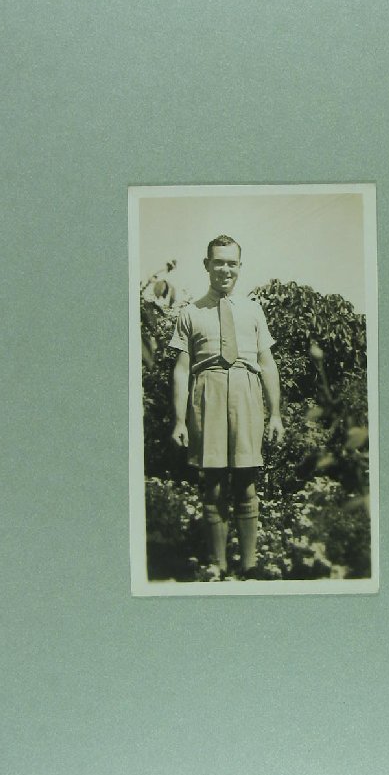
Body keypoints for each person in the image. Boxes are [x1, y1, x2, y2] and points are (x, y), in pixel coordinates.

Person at [168, 235, 285, 579]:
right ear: (207, 265)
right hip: (209, 393)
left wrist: (276, 415)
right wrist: (179, 421)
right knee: (214, 482)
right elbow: (181, 370)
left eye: (231, 263)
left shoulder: (253, 310)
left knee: (247, 480)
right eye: (218, 262)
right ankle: (217, 566)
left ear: (240, 266)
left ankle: (250, 565)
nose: (225, 269)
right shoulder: (190, 313)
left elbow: (267, 363)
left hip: (246, 392)